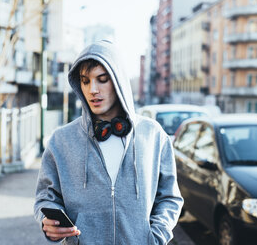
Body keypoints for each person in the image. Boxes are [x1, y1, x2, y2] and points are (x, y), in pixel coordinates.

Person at [34, 40, 183, 245]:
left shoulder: (153, 135)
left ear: (118, 80)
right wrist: (48, 222)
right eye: (85, 81)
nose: (92, 89)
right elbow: (45, 197)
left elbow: (170, 198)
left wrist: (155, 237)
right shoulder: (61, 141)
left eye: (102, 79)